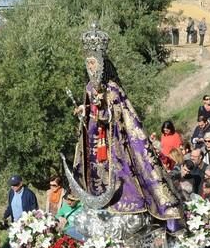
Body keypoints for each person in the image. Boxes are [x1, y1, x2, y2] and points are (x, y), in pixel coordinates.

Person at [67, 25, 182, 224]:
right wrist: (84, 111)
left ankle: (128, 202)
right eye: (89, 64)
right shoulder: (88, 88)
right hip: (93, 144)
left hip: (113, 143)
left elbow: (119, 115)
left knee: (121, 172)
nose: (91, 68)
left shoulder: (112, 89)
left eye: (94, 64)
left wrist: (103, 109)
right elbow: (91, 114)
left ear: (102, 65)